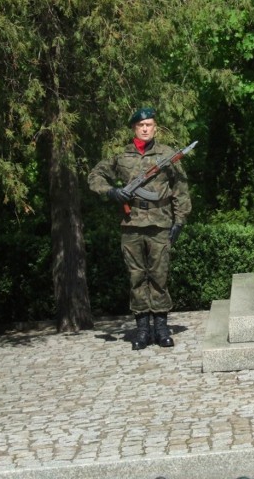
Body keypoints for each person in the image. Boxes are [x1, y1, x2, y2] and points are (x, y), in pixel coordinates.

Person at [88, 107, 192, 349]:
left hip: (160, 223)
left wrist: (180, 221)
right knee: (136, 277)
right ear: (134, 128)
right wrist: (112, 191)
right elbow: (95, 176)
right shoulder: (121, 156)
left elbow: (181, 190)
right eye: (141, 125)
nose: (146, 129)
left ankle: (162, 328)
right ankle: (143, 329)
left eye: (150, 125)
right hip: (131, 224)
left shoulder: (167, 155)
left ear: (155, 128)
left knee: (159, 276)